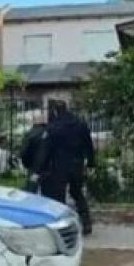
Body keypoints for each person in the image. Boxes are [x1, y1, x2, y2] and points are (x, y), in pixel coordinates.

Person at [40, 100, 95, 235]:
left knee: (59, 196)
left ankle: (63, 226)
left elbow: (46, 149)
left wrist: (41, 167)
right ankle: (86, 223)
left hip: (59, 166)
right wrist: (91, 163)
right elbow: (89, 145)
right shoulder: (80, 124)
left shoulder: (53, 127)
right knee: (77, 193)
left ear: (55, 111)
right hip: (77, 164)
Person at [19, 121, 48, 193]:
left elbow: (24, 152)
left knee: (32, 188)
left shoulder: (31, 133)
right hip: (49, 167)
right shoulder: (49, 131)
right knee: (49, 192)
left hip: (34, 167)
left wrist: (26, 164)